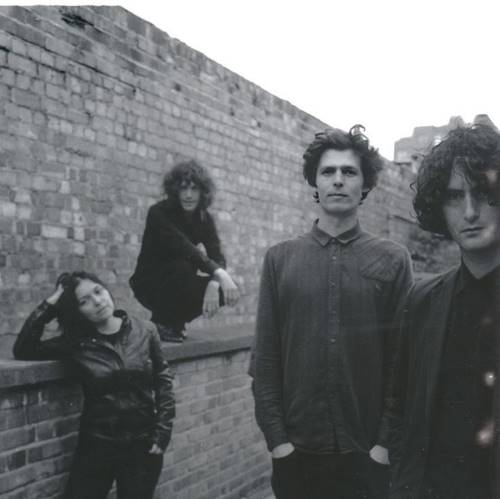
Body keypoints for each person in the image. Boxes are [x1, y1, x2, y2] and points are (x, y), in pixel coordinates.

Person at [251, 125, 413, 499]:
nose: (338, 180)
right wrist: (278, 443)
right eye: (328, 171)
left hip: (368, 456)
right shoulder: (280, 259)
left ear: (365, 184)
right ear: (315, 181)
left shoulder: (393, 259)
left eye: (349, 171)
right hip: (298, 455)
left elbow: (403, 360)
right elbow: (265, 358)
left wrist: (383, 446)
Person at [388, 123, 500, 499]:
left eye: (483, 193)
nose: (469, 211)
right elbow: (400, 408)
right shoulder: (422, 301)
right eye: (454, 196)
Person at [13, 271, 175, 499]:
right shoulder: (76, 343)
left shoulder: (145, 330)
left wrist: (163, 431)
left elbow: (163, 380)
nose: (97, 302)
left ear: (106, 290)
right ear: (77, 311)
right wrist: (52, 302)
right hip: (97, 444)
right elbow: (24, 348)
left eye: (98, 291)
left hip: (142, 444)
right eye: (84, 301)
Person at [130, 160, 239, 342]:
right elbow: (184, 247)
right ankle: (161, 322)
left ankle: (174, 323)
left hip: (181, 278)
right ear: (175, 190)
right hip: (150, 283)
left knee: (225, 289)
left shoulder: (204, 219)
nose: (188, 195)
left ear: (202, 192)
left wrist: (214, 284)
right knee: (184, 265)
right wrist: (220, 273)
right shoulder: (158, 213)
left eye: (194, 189)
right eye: (183, 188)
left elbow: (217, 257)